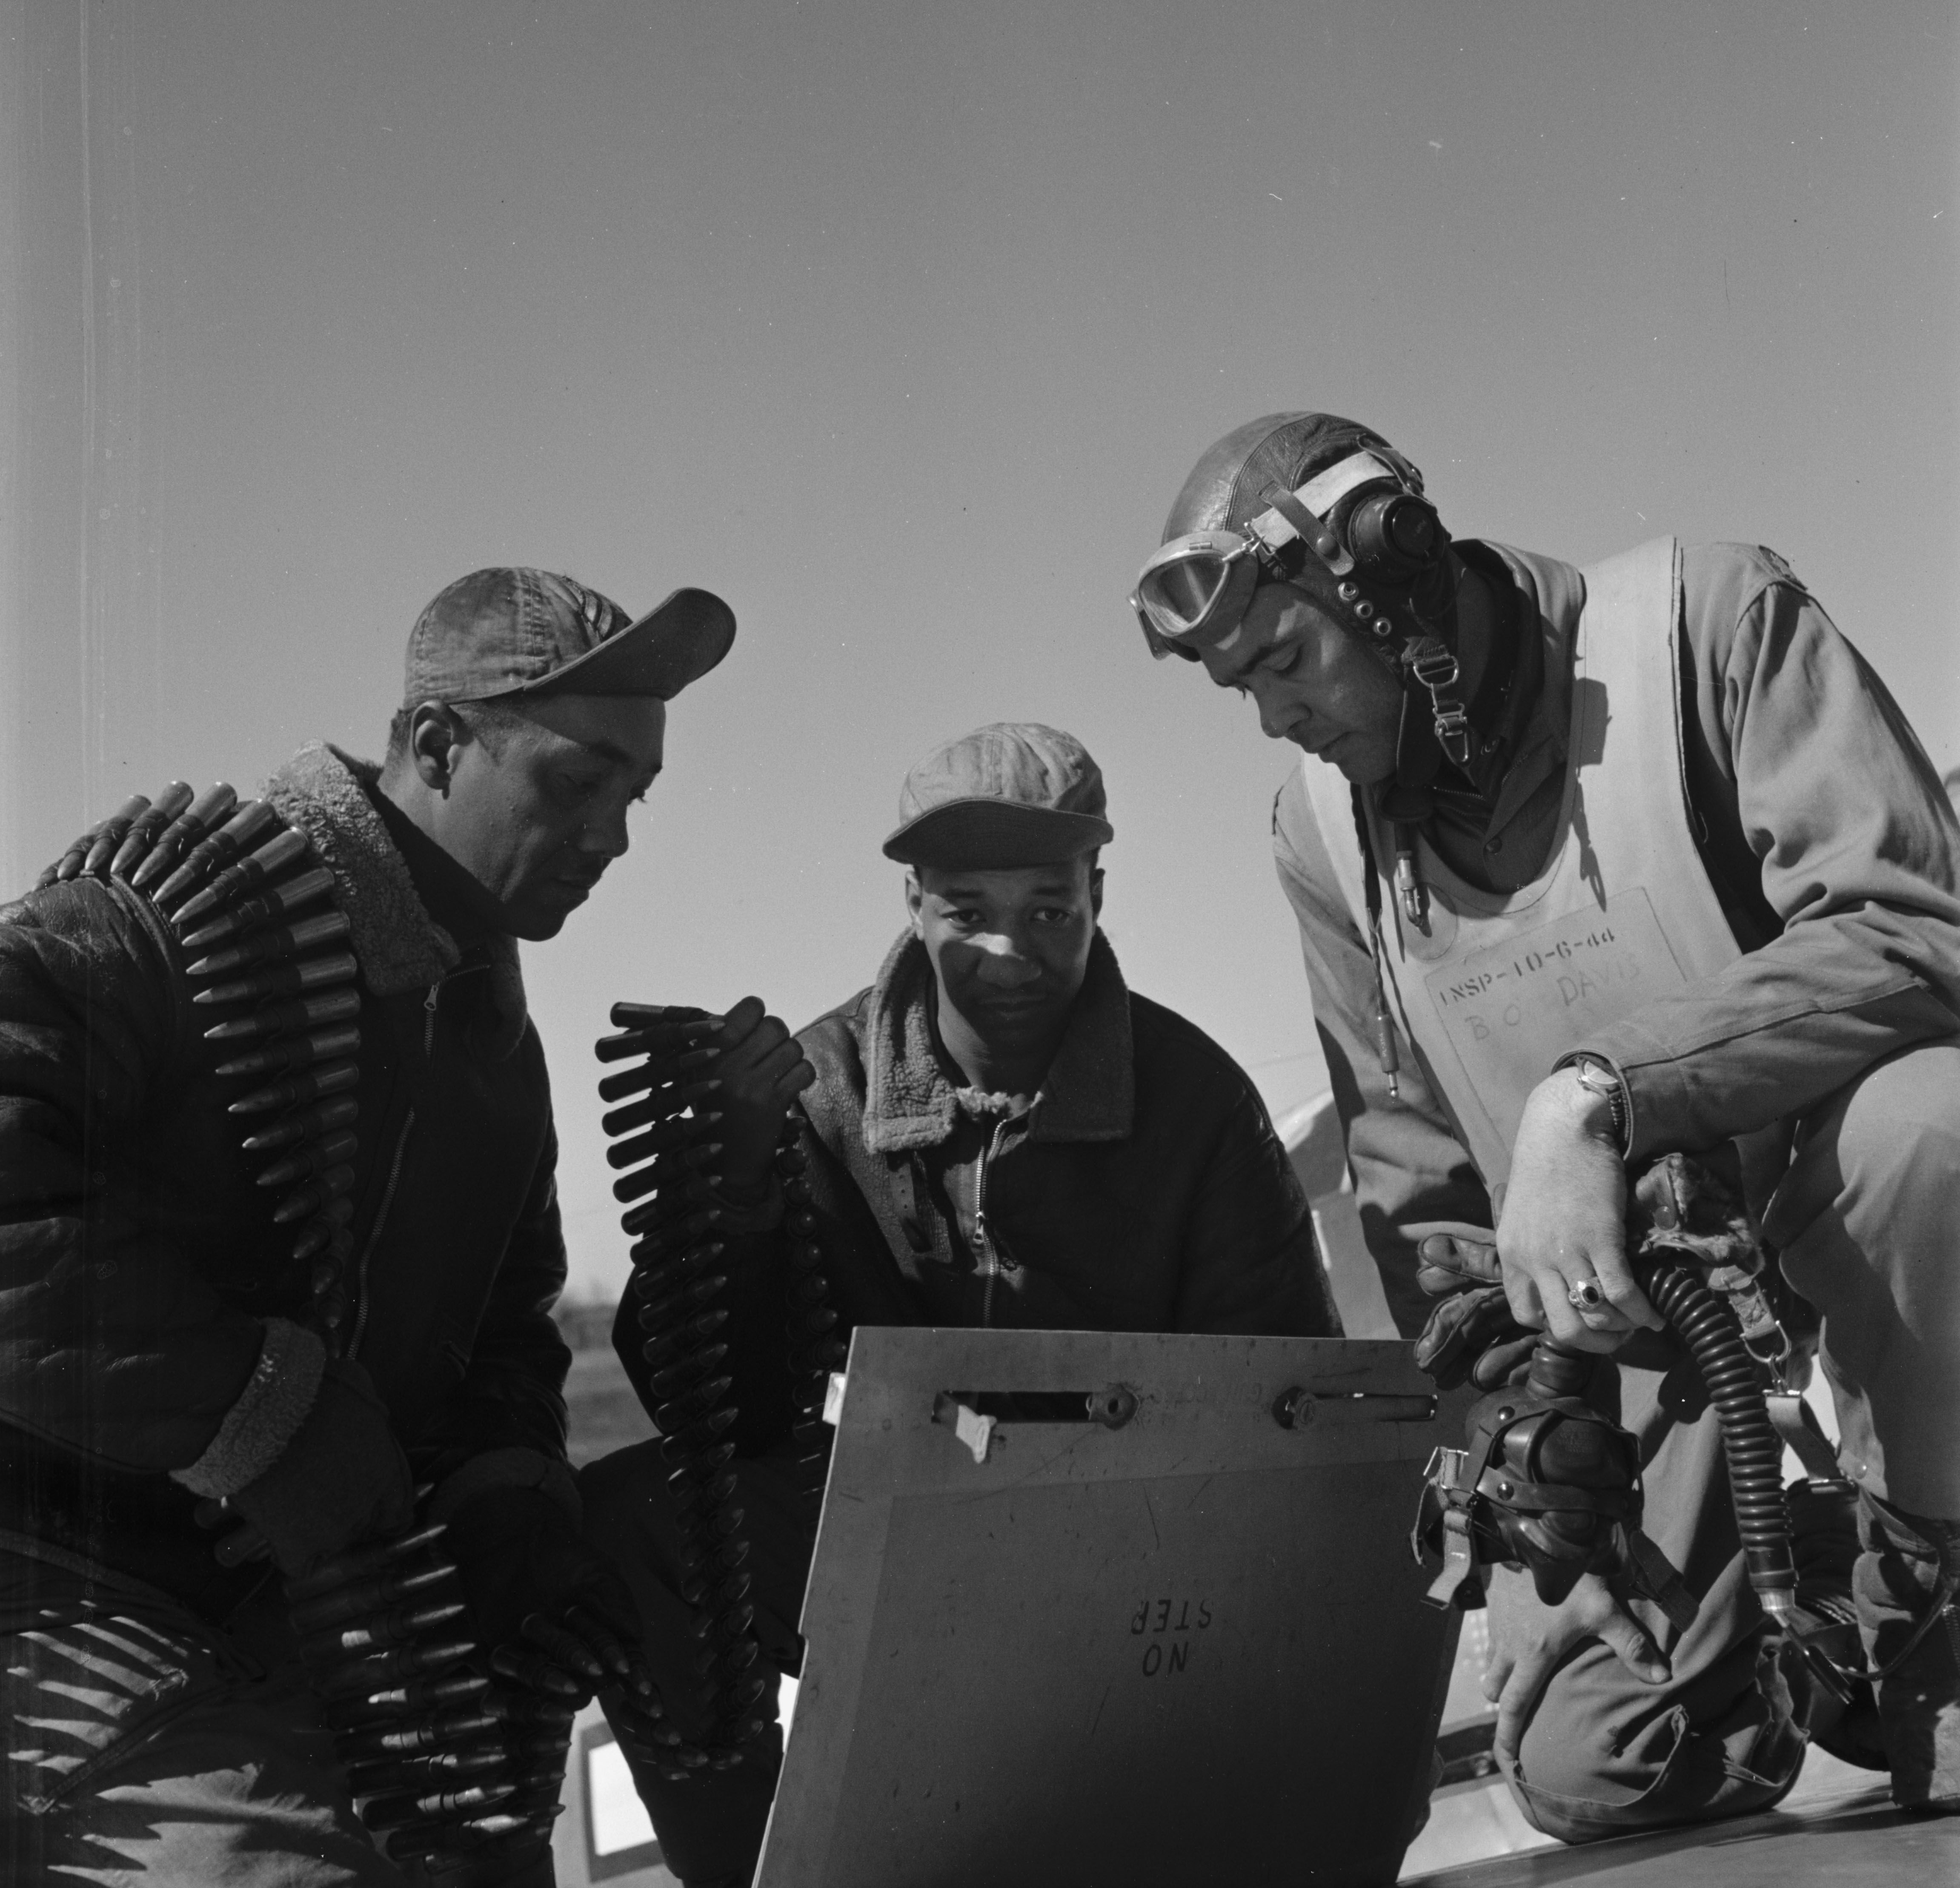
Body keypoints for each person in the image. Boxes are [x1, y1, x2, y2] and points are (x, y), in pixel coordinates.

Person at [1130, 410, 1960, 1838]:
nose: (1276, 717)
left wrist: (1601, 1091)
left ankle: (1932, 1563)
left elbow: (1909, 924)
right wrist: (1512, 1415)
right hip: (1641, 1317)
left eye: (1285, 662)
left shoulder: (1706, 621)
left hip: (1859, 1238)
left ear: (1388, 576)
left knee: (1931, 1128)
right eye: (1242, 689)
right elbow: (1417, 1179)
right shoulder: (1319, 832)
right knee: (1594, 1763)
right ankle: (1803, 1574)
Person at [0, 567, 736, 1887]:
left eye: (635, 796)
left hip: (304, 1607)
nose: (615, 837)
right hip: (74, 1598)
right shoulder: (179, 920)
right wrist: (251, 1412)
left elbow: (511, 1328)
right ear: (438, 744)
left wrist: (509, 1492)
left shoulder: (491, 1041)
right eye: (580, 782)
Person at [582, 721, 1339, 1888]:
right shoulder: (820, 1092)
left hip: (1140, 1553)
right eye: (966, 908)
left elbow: (1292, 1408)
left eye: (1050, 907)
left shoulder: (1198, 1104)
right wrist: (724, 1191)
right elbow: (713, 1405)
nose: (1008, 949)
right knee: (642, 1518)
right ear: (914, 900)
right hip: (904, 1542)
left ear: (1100, 890)